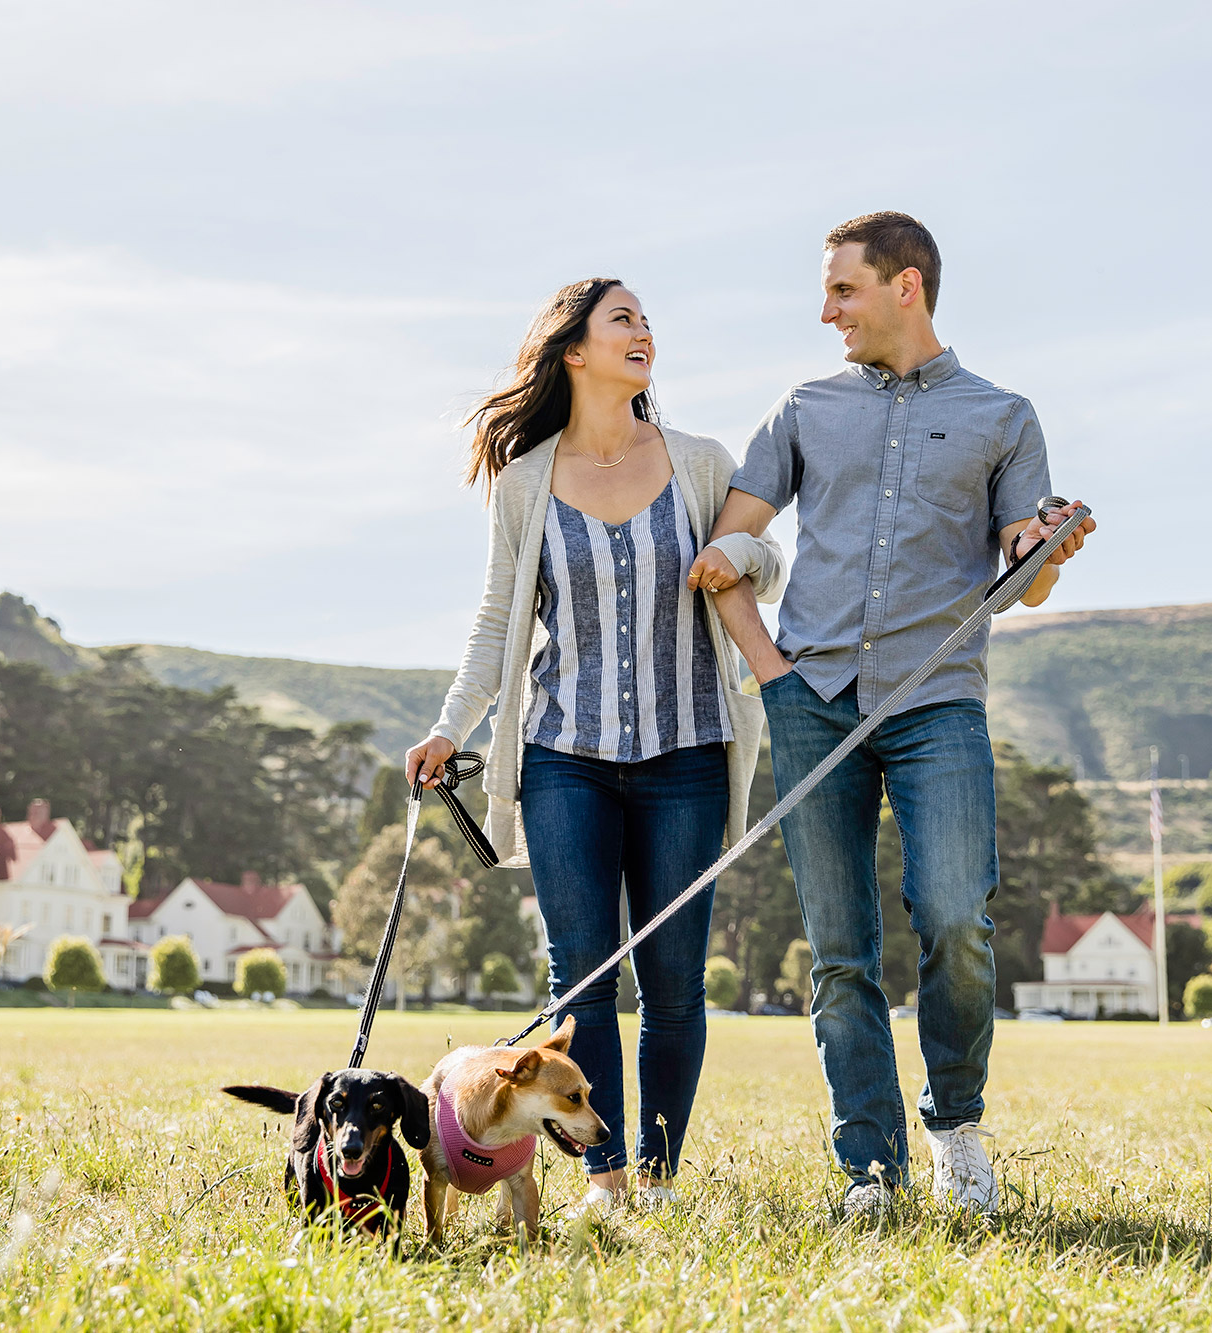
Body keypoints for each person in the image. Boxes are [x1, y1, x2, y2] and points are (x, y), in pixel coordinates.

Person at [694, 212, 1096, 1218]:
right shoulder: (804, 407)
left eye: (842, 290)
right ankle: (867, 1168)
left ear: (903, 286)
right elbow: (725, 546)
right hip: (812, 702)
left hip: (937, 704)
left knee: (956, 919)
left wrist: (1044, 549)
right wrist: (770, 671)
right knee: (838, 950)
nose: (824, 310)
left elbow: (1024, 581)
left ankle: (954, 1125)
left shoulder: (1002, 416)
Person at [409, 278, 786, 1211]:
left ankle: (656, 1179)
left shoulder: (700, 463)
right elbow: (499, 621)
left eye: (648, 320)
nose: (644, 331)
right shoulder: (526, 479)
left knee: (674, 981)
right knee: (582, 980)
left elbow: (768, 561)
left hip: (688, 751)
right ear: (573, 349)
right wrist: (451, 724)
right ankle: (602, 1179)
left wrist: (737, 559)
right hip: (562, 757)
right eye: (624, 318)